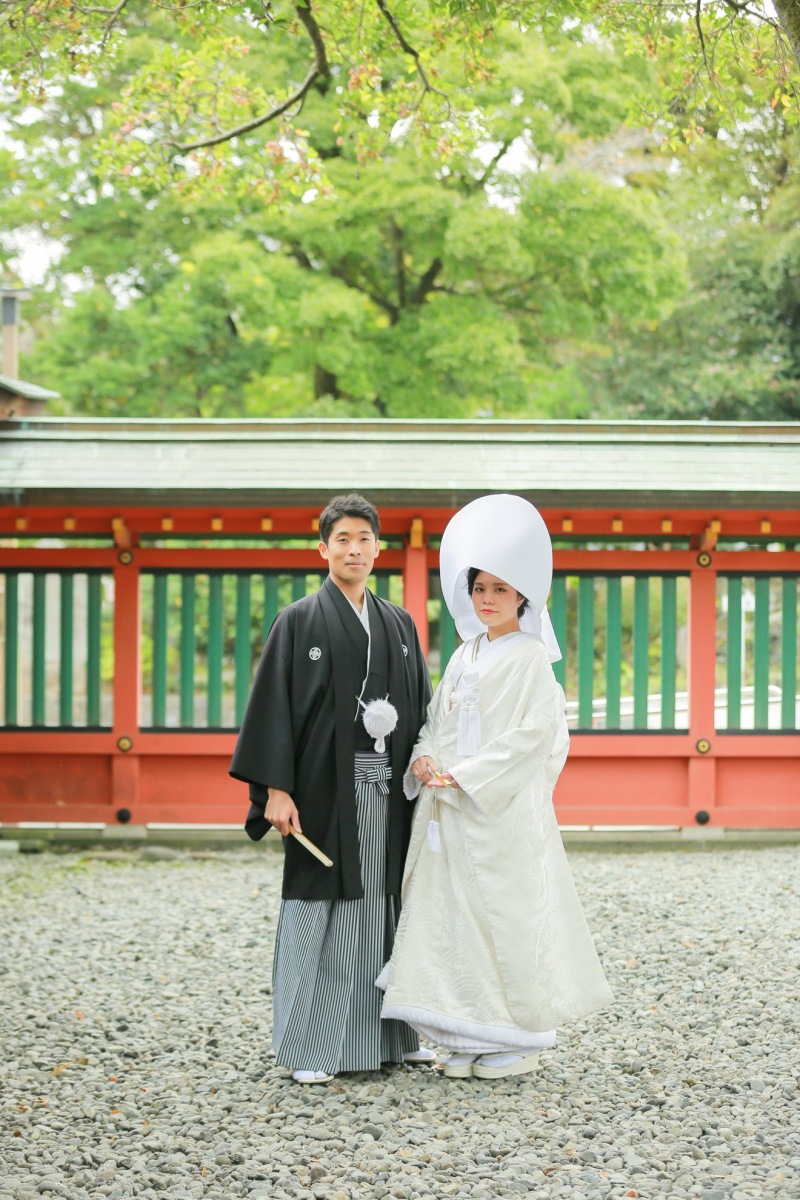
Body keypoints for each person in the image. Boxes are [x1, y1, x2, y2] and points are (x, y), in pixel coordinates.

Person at [378, 494, 613, 1080]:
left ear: (522, 598)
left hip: (496, 810)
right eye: (479, 588)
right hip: (447, 807)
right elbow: (437, 717)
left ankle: (516, 1035)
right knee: (448, 915)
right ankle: (462, 1034)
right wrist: (426, 757)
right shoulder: (464, 654)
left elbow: (535, 736)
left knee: (501, 916)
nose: (488, 600)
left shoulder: (531, 658)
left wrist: (470, 775)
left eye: (500, 591)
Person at [230, 493, 433, 1083]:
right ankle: (313, 1048)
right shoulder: (299, 620)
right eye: (341, 539)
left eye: (364, 539)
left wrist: (427, 763)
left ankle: (395, 1036)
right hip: (322, 794)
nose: (353, 549)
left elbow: (420, 709)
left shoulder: (398, 623)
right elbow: (273, 710)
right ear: (323, 549)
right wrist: (274, 789)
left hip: (388, 794)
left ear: (378, 548)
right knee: (323, 910)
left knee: (386, 907)